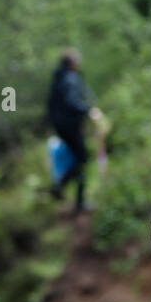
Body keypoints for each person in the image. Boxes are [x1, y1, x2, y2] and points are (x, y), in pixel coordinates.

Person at [46, 48, 102, 213]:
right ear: (72, 62)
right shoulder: (69, 78)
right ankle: (77, 201)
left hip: (62, 125)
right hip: (69, 125)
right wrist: (88, 110)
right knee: (83, 158)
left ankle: (62, 188)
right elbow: (71, 102)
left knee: (80, 158)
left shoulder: (60, 76)